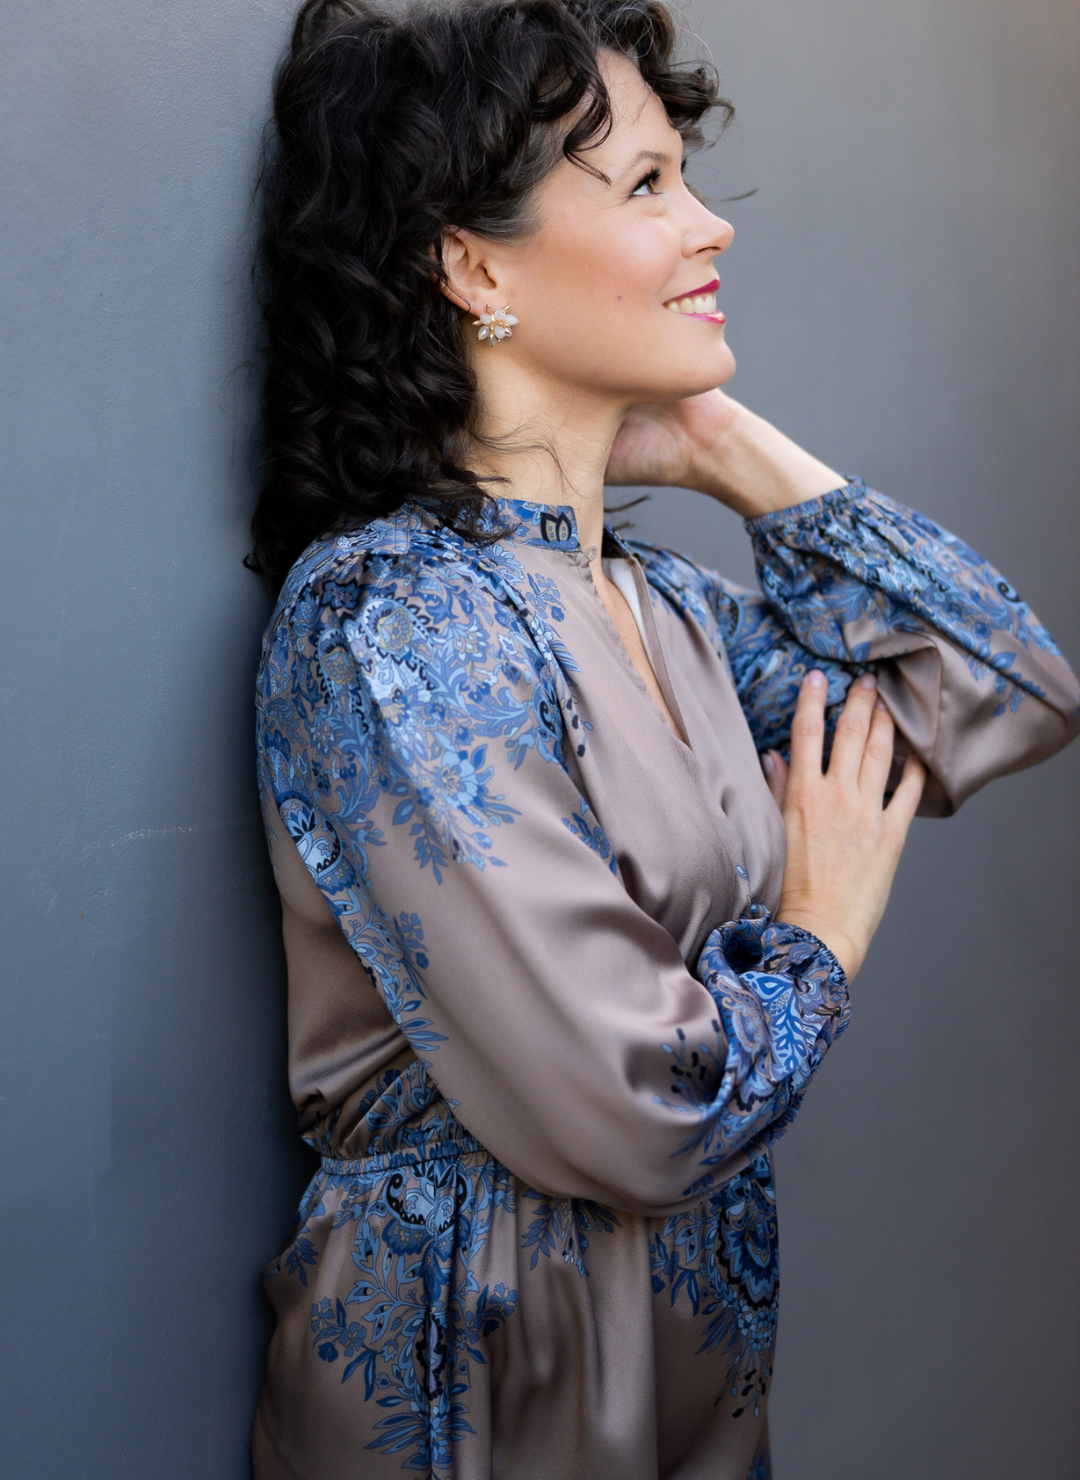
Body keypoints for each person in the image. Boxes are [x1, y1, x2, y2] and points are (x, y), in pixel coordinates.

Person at [247, 1, 1080, 1475]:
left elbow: (1006, 690)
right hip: (482, 1399)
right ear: (470, 261)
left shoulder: (675, 615)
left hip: (698, 1387)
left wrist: (721, 446)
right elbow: (648, 1114)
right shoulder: (390, 619)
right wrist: (817, 933)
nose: (712, 227)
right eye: (643, 185)